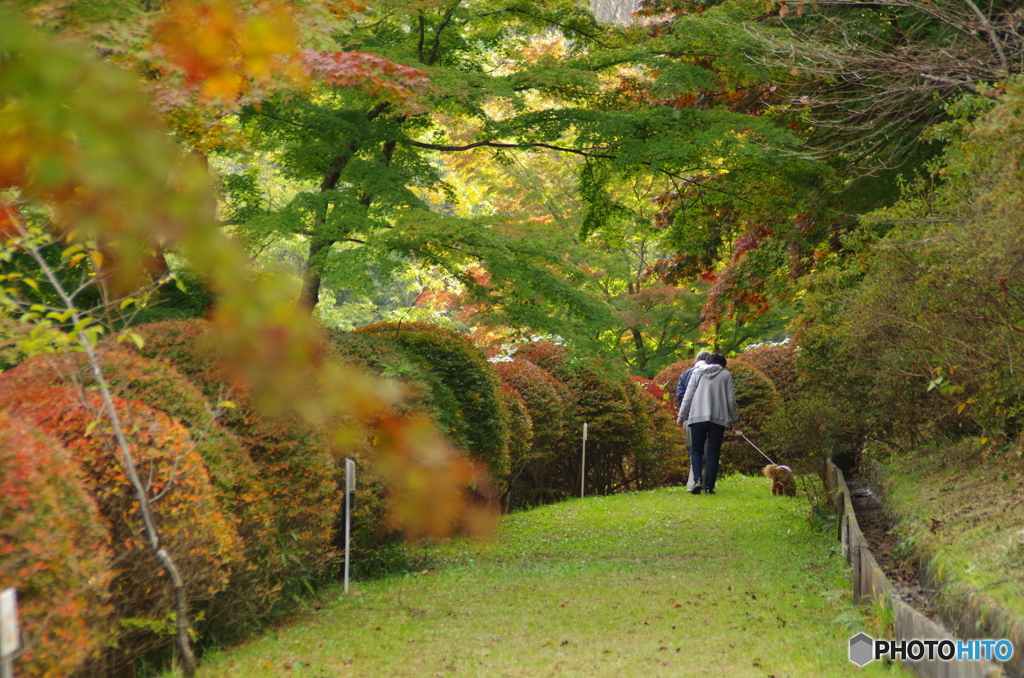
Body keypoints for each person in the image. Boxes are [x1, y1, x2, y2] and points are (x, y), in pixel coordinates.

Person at [676, 353, 740, 495]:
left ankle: (697, 480)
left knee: (696, 450)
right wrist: (734, 422)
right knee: (713, 453)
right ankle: (709, 487)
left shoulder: (696, 373)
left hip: (696, 417)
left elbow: (687, 396)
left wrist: (681, 416)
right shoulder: (725, 375)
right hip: (718, 419)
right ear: (722, 364)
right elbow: (731, 400)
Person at [676, 350, 712, 491]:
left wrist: (682, 415)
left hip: (689, 418)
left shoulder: (685, 375)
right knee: (708, 451)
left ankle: (693, 482)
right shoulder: (715, 374)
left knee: (695, 450)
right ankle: (704, 483)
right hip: (710, 417)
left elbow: (681, 397)